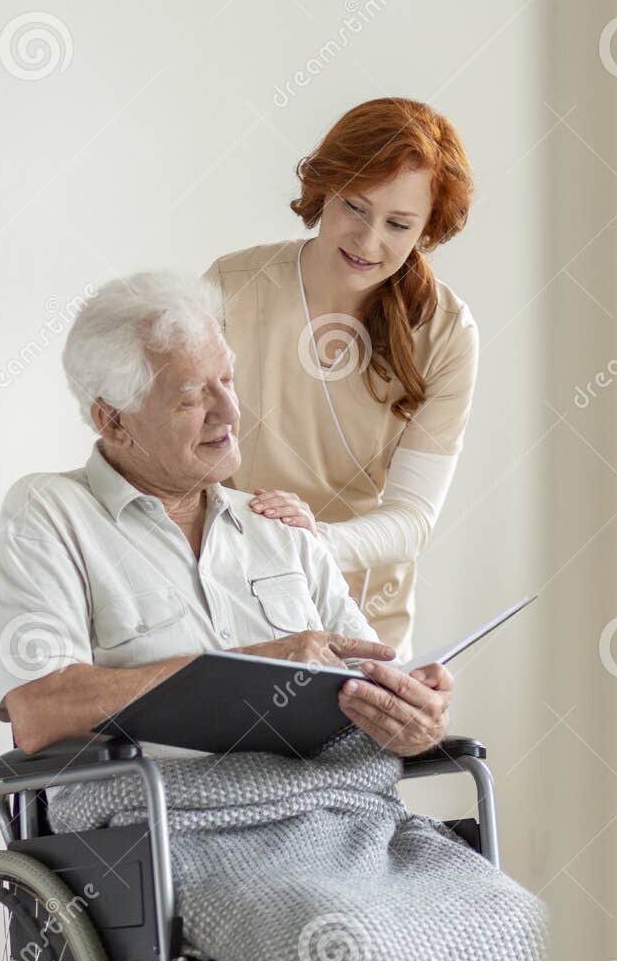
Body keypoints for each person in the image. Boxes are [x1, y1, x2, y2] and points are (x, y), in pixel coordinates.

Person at [0, 269, 546, 961]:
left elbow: (378, 684)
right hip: (174, 833)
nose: (228, 412)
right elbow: (41, 710)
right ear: (111, 419)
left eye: (228, 380)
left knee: (528, 935)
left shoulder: (283, 531)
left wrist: (414, 715)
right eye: (191, 397)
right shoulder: (48, 514)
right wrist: (245, 665)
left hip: (352, 820)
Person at [204, 97, 480, 657]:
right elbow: (176, 457)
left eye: (399, 224)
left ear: (426, 231)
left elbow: (412, 518)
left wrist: (317, 541)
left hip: (361, 622)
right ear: (324, 190)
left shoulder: (445, 333)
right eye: (355, 207)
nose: (368, 240)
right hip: (233, 604)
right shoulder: (233, 287)